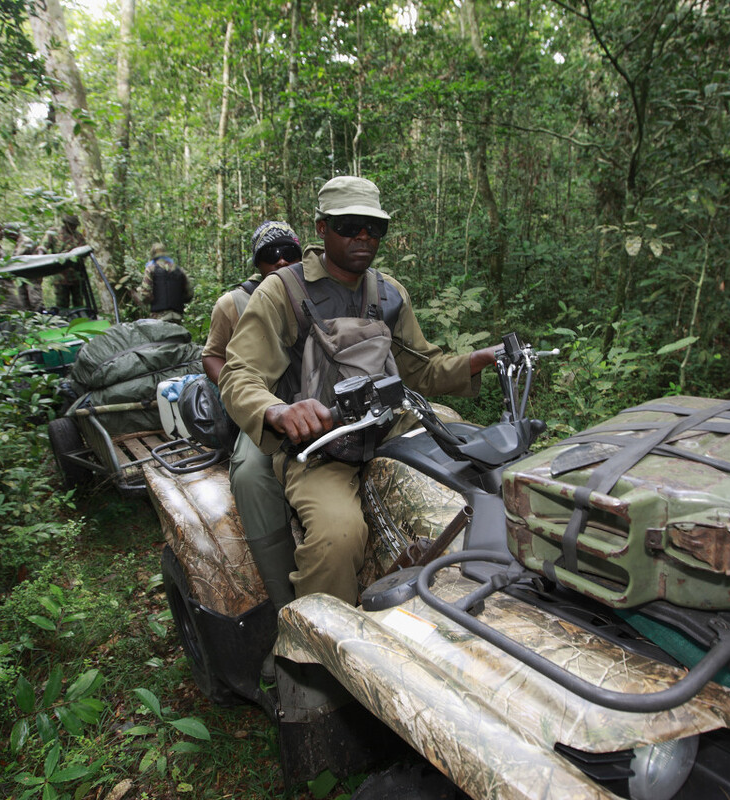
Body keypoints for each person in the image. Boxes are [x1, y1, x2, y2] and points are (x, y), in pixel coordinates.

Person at [219, 177, 500, 605]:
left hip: (389, 426)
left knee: (481, 468)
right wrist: (277, 412)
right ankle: (319, 652)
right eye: (351, 225)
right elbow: (239, 373)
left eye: (374, 228)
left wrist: (472, 363)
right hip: (321, 446)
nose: (364, 236)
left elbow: (421, 369)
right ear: (322, 228)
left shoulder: (388, 293)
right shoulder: (282, 292)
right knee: (338, 537)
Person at [203, 221, 303, 610]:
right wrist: (238, 394)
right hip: (266, 402)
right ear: (257, 262)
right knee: (249, 474)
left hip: (323, 394)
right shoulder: (234, 304)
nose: (280, 261)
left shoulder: (318, 288)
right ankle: (284, 602)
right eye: (269, 255)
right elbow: (213, 354)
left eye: (288, 253)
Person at [137, 243, 193, 323]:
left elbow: (146, 294)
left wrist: (140, 295)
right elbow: (189, 294)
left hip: (159, 316)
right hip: (177, 316)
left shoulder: (151, 268)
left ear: (153, 254)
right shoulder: (180, 270)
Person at [39, 214, 86, 309]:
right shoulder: (53, 233)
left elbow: (84, 252)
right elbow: (43, 247)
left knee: (79, 303)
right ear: (66, 223)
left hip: (76, 275)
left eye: (75, 225)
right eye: (72, 225)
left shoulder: (78, 236)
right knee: (62, 304)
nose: (74, 227)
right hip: (60, 276)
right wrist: (40, 261)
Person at [5, 223, 42, 309]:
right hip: (23, 275)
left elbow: (18, 257)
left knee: (35, 300)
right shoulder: (18, 242)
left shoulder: (25, 241)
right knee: (23, 300)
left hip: (32, 275)